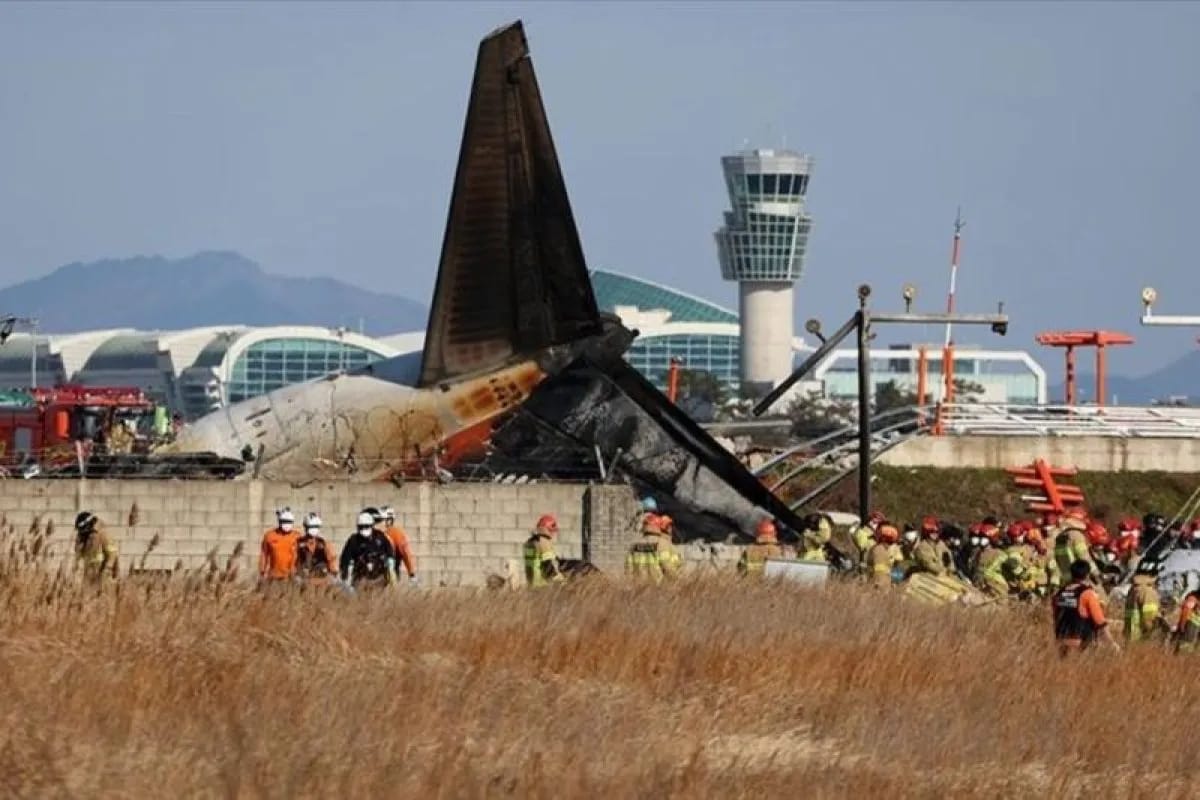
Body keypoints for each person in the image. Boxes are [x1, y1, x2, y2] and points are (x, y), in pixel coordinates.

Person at [1052, 560, 1119, 655]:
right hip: (1081, 645)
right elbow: (1100, 622)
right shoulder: (1088, 594)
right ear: (1087, 575)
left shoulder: (1059, 594)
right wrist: (1112, 644)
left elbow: (1056, 618)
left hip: (1061, 643)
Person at [339, 511, 397, 589]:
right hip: (360, 579)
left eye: (366, 526)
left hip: (379, 577)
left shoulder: (379, 536)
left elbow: (389, 550)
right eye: (361, 527)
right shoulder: (354, 540)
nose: (364, 529)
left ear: (372, 525)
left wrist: (390, 561)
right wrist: (345, 575)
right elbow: (345, 558)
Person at [627, 511, 684, 582]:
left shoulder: (634, 545)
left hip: (638, 589)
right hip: (657, 588)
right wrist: (679, 581)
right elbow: (667, 567)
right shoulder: (662, 544)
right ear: (657, 526)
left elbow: (628, 570)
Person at [259, 506, 300, 583]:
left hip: (291, 577)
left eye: (289, 521)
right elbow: (264, 555)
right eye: (284, 521)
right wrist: (262, 571)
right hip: (274, 576)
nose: (287, 524)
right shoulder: (270, 536)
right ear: (279, 521)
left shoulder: (297, 536)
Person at [74, 510, 118, 582]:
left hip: (102, 573)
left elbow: (112, 554)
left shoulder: (103, 533)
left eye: (83, 530)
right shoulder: (82, 535)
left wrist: (107, 569)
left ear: (89, 525)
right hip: (88, 573)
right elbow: (78, 553)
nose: (81, 533)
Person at [524, 514, 565, 588]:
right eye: (551, 530)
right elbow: (548, 565)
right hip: (544, 586)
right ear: (545, 529)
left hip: (532, 585)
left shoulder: (530, 542)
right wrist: (561, 582)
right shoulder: (544, 542)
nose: (553, 534)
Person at [1124, 565, 1162, 645]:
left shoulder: (1133, 590)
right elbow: (1149, 618)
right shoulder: (1148, 591)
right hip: (1143, 641)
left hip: (1130, 638)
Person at [381, 506, 418, 586]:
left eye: (382, 519)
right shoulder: (374, 534)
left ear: (389, 520)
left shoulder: (396, 533)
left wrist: (411, 573)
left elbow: (405, 553)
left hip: (389, 571)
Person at [297, 512, 337, 584]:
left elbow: (332, 559)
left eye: (315, 526)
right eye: (310, 527)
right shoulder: (299, 543)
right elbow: (294, 559)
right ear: (305, 527)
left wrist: (333, 573)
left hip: (322, 579)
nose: (312, 529)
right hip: (305, 579)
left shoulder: (324, 543)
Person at [865, 523, 901, 589]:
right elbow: (897, 568)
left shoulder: (873, 548)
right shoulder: (896, 549)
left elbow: (869, 566)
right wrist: (895, 582)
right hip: (887, 584)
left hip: (873, 583)